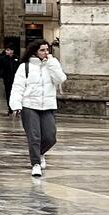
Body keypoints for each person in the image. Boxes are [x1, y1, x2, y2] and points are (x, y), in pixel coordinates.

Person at [9, 39, 68, 176]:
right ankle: (35, 163)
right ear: (35, 51)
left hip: (48, 106)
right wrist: (16, 105)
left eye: (47, 50)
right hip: (29, 105)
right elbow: (18, 87)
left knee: (50, 137)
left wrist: (52, 63)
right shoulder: (25, 67)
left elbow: (60, 79)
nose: (45, 52)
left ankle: (40, 152)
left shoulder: (52, 64)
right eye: (42, 50)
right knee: (34, 136)